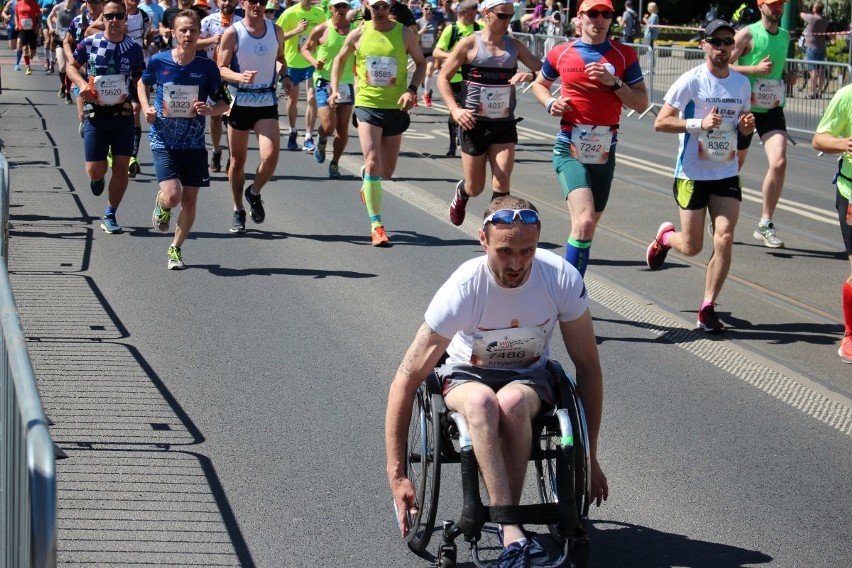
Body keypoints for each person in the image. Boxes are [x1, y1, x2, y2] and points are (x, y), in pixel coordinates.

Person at [385, 196, 608, 568]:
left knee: (512, 405)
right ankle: (513, 531)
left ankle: (510, 529)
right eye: (505, 251)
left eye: (527, 251)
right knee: (483, 404)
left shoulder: (561, 279)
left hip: (529, 377)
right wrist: (397, 476)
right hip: (467, 376)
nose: (517, 264)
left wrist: (589, 457)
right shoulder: (463, 288)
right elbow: (407, 378)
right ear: (483, 240)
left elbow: (588, 367)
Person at [645, 19, 756, 333]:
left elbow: (742, 130)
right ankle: (665, 238)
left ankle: (707, 307)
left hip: (726, 171)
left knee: (725, 236)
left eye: (727, 41)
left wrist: (747, 129)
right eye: (716, 41)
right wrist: (698, 125)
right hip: (692, 173)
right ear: (704, 44)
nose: (722, 48)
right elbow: (661, 123)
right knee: (692, 246)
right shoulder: (691, 81)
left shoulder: (741, 84)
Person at [531, 0, 647, 277]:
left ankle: (563, 280)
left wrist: (614, 83)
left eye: (605, 14)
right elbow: (539, 84)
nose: (599, 19)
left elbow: (642, 104)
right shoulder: (562, 52)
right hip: (569, 145)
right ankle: (572, 294)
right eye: (593, 13)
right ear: (580, 17)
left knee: (587, 226)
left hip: (605, 149)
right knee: (583, 222)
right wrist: (549, 103)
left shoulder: (624, 55)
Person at [329, 0, 425, 247]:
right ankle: (377, 225)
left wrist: (412, 90)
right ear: (367, 6)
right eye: (376, 6)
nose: (381, 11)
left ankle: (368, 178)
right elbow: (339, 60)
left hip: (396, 106)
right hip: (367, 104)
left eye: (384, 6)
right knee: (372, 160)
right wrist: (335, 90)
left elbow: (421, 63)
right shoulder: (359, 32)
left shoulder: (404, 32)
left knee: (386, 172)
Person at [139, 8, 228, 269]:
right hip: (163, 138)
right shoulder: (159, 61)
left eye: (193, 30)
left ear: (200, 33)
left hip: (193, 142)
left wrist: (212, 110)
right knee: (173, 195)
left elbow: (226, 101)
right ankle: (162, 203)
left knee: (190, 199)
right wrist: (146, 108)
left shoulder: (207, 68)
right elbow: (142, 84)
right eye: (183, 30)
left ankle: (175, 249)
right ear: (173, 33)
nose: (188, 34)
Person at [439, 0, 541, 227]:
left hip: (503, 123)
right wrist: (455, 109)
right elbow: (442, 78)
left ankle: (494, 229)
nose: (508, 22)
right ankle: (461, 193)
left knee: (502, 180)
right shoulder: (469, 44)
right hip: (473, 123)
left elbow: (543, 70)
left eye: (510, 16)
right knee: (475, 187)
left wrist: (530, 76)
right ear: (487, 14)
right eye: (503, 16)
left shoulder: (514, 46)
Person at [66, 0, 146, 234]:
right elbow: (72, 67)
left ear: (125, 19)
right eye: (109, 16)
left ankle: (110, 213)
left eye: (119, 16)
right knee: (95, 170)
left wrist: (141, 103)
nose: (114, 20)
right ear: (103, 17)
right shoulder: (90, 43)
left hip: (122, 116)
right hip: (96, 115)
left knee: (122, 167)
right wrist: (81, 84)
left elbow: (139, 78)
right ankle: (97, 178)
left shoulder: (133, 48)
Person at [217, 0, 289, 234]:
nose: (257, 5)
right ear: (244, 3)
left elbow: (280, 58)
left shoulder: (276, 30)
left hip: (266, 101)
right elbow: (221, 67)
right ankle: (238, 209)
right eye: (252, 1)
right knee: (237, 161)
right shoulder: (233, 32)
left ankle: (254, 192)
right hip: (240, 102)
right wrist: (239, 77)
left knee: (270, 157)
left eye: (262, 1)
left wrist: (285, 75)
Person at [729, 0, 796, 249]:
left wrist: (787, 78)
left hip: (772, 109)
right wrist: (754, 68)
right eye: (774, 4)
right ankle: (721, 212)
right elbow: (723, 65)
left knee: (779, 161)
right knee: (734, 164)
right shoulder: (747, 34)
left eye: (781, 5)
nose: (778, 9)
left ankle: (765, 223)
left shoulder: (786, 36)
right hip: (744, 108)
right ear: (761, 6)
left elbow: (777, 71)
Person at [811, 84, 852, 361]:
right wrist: (844, 143)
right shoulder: (847, 95)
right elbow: (819, 139)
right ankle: (850, 334)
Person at [299, 0, 354, 178]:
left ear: (348, 9)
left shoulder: (355, 30)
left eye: (343, 6)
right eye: (337, 7)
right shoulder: (321, 29)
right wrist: (315, 62)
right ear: (330, 8)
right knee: (329, 125)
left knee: (343, 128)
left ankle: (335, 163)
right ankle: (322, 140)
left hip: (346, 83)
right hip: (324, 81)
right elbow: (305, 49)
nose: (340, 10)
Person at [432, 0, 480, 158]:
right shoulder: (451, 29)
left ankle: (467, 142)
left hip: (473, 79)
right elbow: (437, 52)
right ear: (461, 14)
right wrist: (454, 57)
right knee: (456, 112)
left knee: (473, 112)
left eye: (475, 15)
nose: (473, 19)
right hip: (454, 78)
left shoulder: (479, 28)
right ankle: (453, 142)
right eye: (470, 16)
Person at [276, 0, 326, 152]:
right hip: (293, 63)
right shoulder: (289, 13)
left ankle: (308, 136)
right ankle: (292, 131)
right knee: (293, 99)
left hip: (312, 61)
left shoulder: (320, 13)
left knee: (312, 98)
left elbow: (325, 35)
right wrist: (296, 31)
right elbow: (277, 36)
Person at [199, 0, 241, 172]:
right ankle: (216, 150)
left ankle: (233, 157)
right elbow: (194, 44)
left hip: (232, 76)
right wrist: (212, 40)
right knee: (215, 117)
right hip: (212, 75)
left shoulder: (241, 23)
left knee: (232, 117)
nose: (226, 2)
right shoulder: (208, 21)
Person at [47, 0, 79, 103]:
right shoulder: (58, 7)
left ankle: (67, 92)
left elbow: (80, 23)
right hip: (59, 41)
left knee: (70, 66)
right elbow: (49, 18)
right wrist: (51, 28)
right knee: (62, 66)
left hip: (71, 43)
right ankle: (63, 85)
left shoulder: (76, 10)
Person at [415, 1, 442, 107]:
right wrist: (422, 31)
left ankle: (426, 94)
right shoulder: (418, 22)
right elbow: (413, 36)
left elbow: (436, 36)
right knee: (419, 74)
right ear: (422, 9)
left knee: (429, 70)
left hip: (430, 51)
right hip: (420, 51)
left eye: (430, 9)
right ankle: (414, 94)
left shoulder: (435, 22)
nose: (429, 11)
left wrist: (439, 34)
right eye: (426, 8)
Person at [800, 1, 827, 99]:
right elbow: (811, 14)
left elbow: (802, 15)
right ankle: (820, 92)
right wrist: (806, 9)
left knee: (813, 70)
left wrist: (801, 7)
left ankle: (812, 92)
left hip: (812, 47)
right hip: (822, 47)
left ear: (815, 9)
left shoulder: (811, 18)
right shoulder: (824, 19)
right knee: (821, 70)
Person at [14, 0, 42, 74]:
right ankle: (28, 67)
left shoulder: (34, 3)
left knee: (33, 51)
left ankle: (31, 53)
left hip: (32, 29)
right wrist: (16, 24)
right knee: (23, 47)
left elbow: (39, 15)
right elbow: (16, 15)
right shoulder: (18, 4)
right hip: (22, 29)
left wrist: (38, 26)